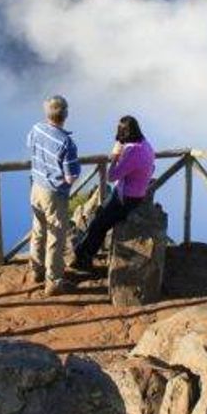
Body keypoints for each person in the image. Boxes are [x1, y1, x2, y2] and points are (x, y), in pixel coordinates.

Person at [72, 115, 155, 270]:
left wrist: (115, 157)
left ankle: (83, 258)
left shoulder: (133, 152)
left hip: (126, 198)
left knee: (99, 225)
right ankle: (83, 253)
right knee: (99, 215)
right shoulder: (146, 144)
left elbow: (111, 176)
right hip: (135, 193)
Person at [27, 95, 81, 296]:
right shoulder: (67, 143)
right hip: (54, 194)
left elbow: (30, 146)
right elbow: (70, 177)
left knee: (38, 230)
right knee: (55, 238)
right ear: (65, 115)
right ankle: (54, 283)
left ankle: (36, 271)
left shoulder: (36, 129)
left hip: (36, 188)